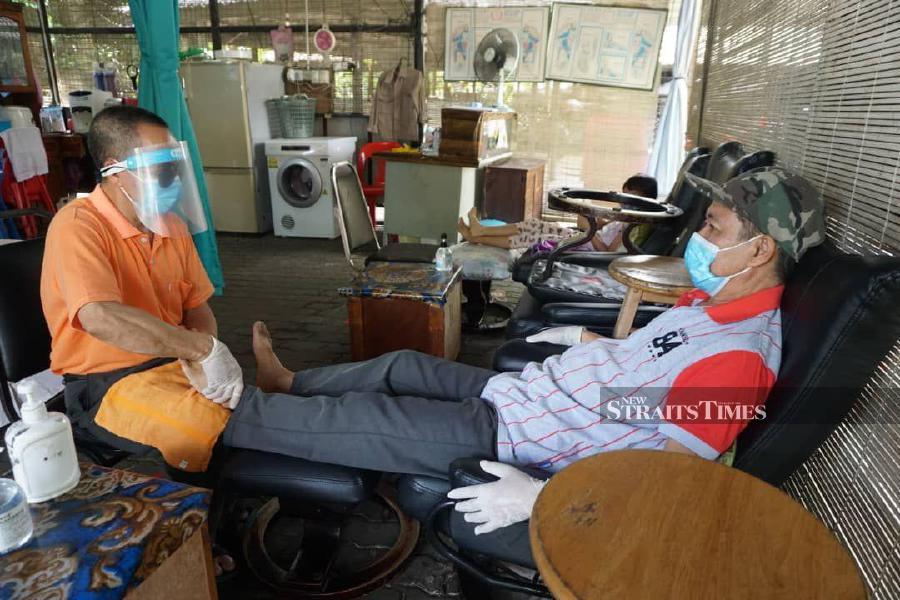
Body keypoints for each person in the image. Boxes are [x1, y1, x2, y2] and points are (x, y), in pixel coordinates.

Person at [193, 167, 823, 535]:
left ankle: (212, 415)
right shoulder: (710, 312)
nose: (697, 235)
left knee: (367, 417)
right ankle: (288, 383)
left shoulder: (739, 360)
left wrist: (541, 499)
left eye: (713, 227)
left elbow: (666, 480)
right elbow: (640, 401)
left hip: (517, 438)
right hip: (525, 398)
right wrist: (590, 343)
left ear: (762, 249)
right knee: (400, 365)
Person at [40, 105, 241, 574]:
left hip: (166, 363)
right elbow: (101, 317)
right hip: (103, 382)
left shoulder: (168, 223)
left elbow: (196, 306)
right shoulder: (77, 226)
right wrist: (200, 350)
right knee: (200, 431)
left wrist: (202, 355)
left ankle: (217, 526)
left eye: (174, 162)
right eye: (160, 165)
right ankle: (193, 546)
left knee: (231, 406)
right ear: (115, 172)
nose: (171, 175)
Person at [456, 174, 658, 252]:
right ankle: (480, 230)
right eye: (625, 194)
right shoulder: (625, 216)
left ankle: (476, 237)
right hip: (582, 237)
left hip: (583, 247)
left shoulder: (634, 226)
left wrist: (592, 231)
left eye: (631, 196)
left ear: (646, 199)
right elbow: (600, 225)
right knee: (535, 224)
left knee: (535, 237)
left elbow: (607, 253)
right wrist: (597, 222)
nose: (625, 201)